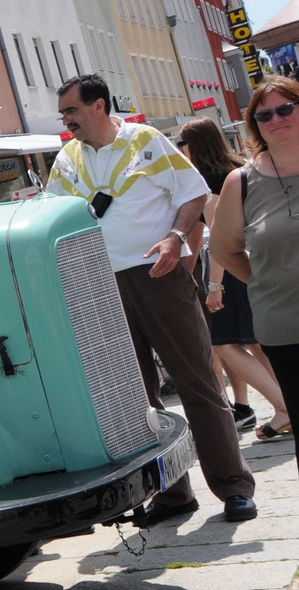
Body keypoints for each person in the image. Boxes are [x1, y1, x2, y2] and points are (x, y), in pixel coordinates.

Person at [47, 75, 255, 524]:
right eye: (63, 113)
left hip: (159, 276)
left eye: (71, 111)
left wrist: (176, 238)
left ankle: (234, 486)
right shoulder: (66, 159)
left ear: (98, 105)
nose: (65, 121)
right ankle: (172, 494)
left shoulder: (145, 139)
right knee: (138, 396)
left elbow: (195, 193)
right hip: (98, 285)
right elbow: (49, 217)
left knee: (197, 382)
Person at [210, 75, 299, 489]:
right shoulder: (243, 182)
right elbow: (223, 250)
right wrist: (265, 282)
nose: (275, 119)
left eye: (285, 108)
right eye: (263, 114)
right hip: (288, 331)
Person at [176, 117, 292, 439]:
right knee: (257, 342)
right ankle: (291, 405)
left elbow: (216, 240)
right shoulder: (240, 169)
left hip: (228, 270)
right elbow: (198, 233)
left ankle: (283, 407)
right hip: (256, 262)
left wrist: (213, 286)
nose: (179, 151)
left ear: (192, 145)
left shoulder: (204, 181)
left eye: (181, 145)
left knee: (224, 345)